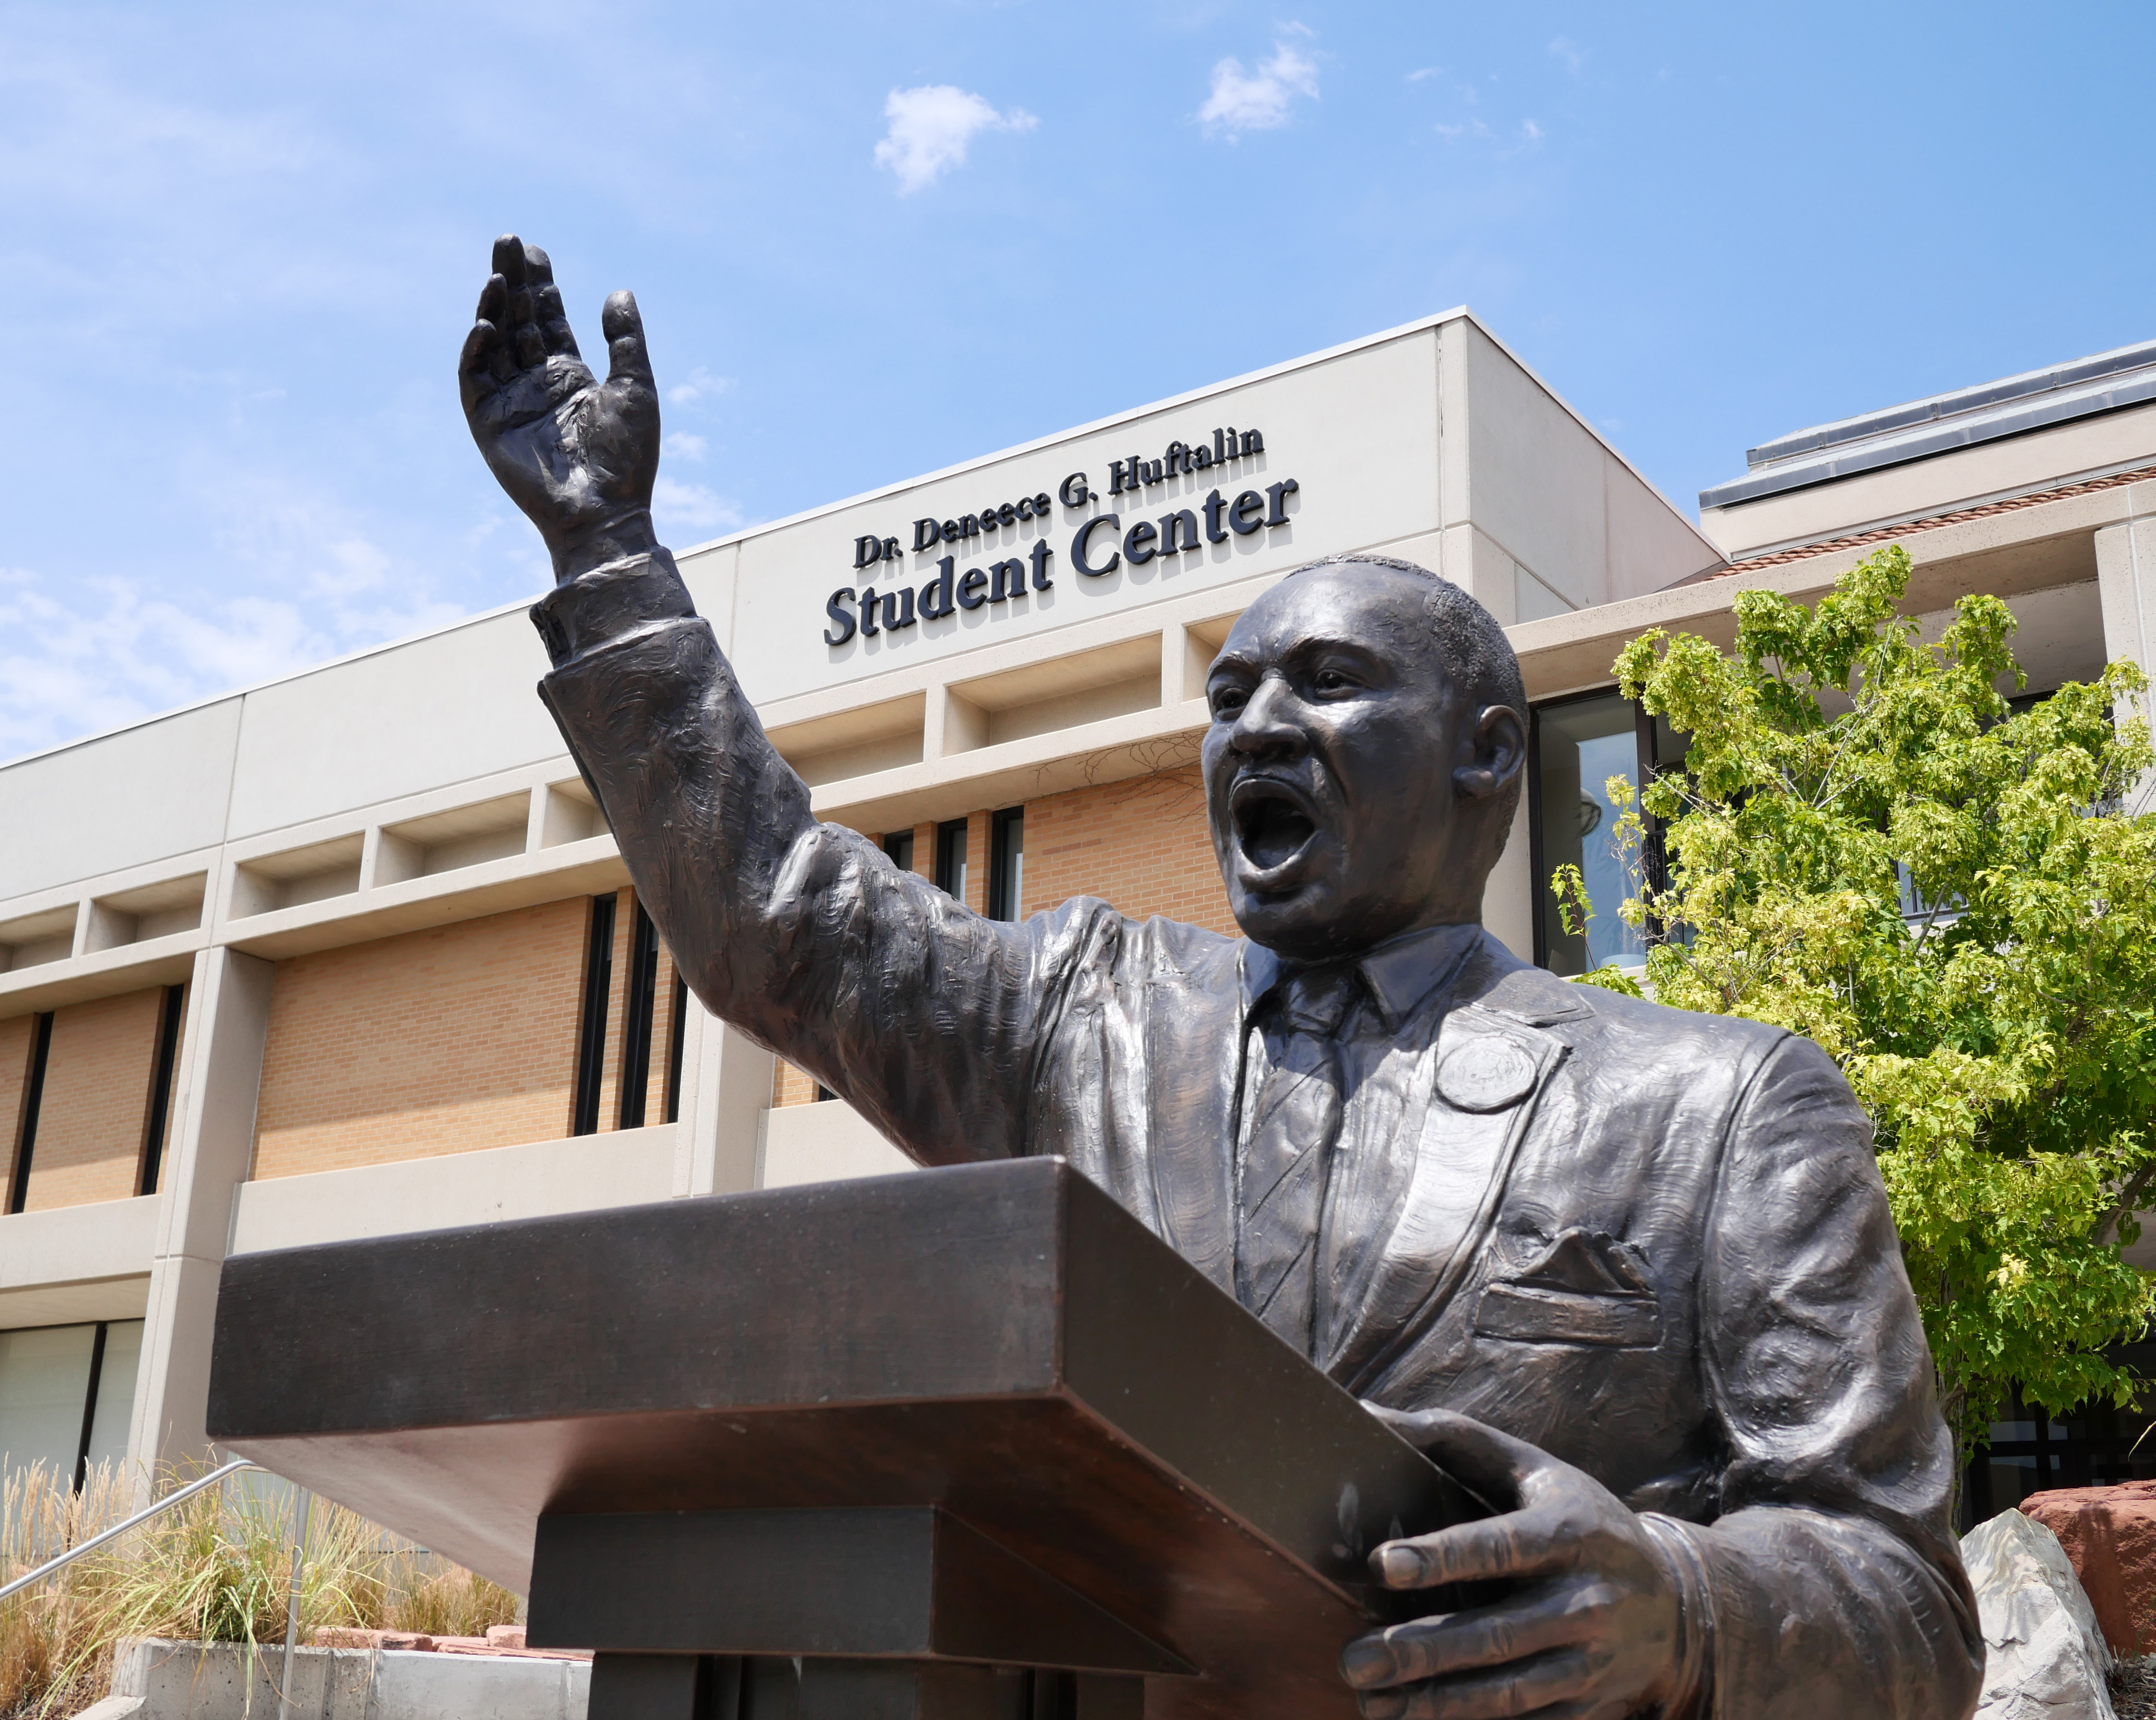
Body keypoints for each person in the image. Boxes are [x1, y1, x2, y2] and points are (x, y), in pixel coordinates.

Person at [460, 236, 1981, 1720]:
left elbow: (1907, 1599)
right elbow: (777, 917)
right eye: (1230, 697)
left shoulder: (1718, 1104)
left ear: (1487, 754)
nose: (1254, 727)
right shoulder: (1089, 1015)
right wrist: (608, 557)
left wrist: (1681, 1609)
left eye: (1325, 684)